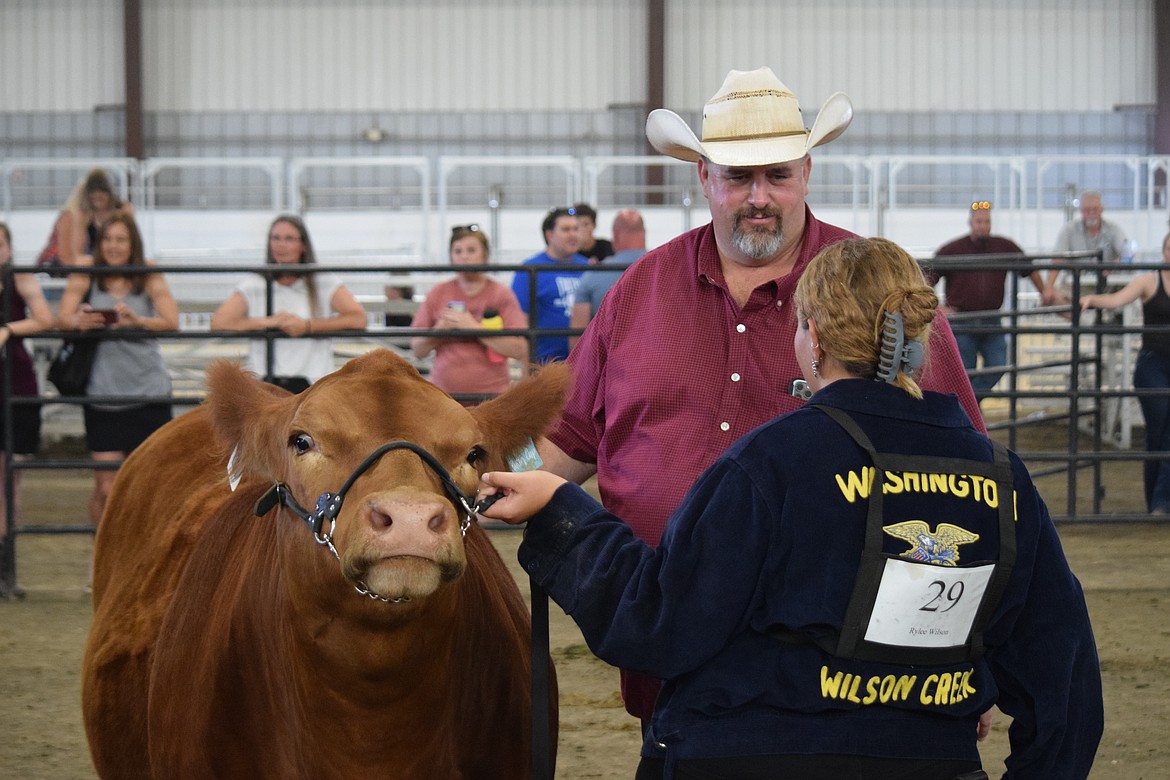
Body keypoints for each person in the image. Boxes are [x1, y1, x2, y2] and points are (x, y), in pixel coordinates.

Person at [481, 237, 1103, 779]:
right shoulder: (1000, 479)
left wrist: (566, 515)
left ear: (813, 336)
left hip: (746, 754)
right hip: (931, 754)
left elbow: (659, 624)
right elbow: (1064, 677)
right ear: (921, 340)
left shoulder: (766, 466)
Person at [537, 66, 985, 727]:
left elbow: (959, 471)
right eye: (738, 177)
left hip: (847, 676)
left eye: (776, 174)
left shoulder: (876, 291)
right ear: (703, 178)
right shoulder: (640, 290)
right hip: (674, 666)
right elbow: (566, 443)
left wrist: (962, 646)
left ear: (807, 172)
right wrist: (466, 478)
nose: (758, 196)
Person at [57, 213, 178, 548]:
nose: (113, 246)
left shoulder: (147, 271)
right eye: (108, 239)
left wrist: (137, 321)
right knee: (106, 486)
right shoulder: (87, 270)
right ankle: (102, 560)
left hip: (149, 391)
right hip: (103, 393)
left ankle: (146, 558)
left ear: (132, 243)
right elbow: (62, 318)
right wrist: (79, 320)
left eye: (121, 240)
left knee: (151, 485)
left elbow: (171, 321)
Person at [211, 214, 367, 393]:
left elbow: (358, 318)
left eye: (289, 238)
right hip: (265, 382)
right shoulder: (255, 283)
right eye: (275, 238)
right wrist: (269, 322)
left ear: (303, 245)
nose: (281, 245)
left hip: (313, 382)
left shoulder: (322, 280)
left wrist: (308, 326)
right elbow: (219, 322)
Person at [1082, 232, 1170, 514]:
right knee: (1158, 431)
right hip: (1152, 363)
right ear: (1164, 251)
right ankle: (1157, 501)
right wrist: (1093, 299)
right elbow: (1119, 299)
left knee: (1165, 433)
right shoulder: (1150, 281)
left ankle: (1159, 502)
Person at [926, 201, 1046, 400]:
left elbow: (1029, 268)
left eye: (986, 222)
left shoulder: (1004, 246)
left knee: (997, 365)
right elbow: (927, 278)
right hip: (962, 319)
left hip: (992, 319)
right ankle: (970, 408)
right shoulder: (953, 249)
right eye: (979, 221)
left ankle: (970, 404)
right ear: (970, 222)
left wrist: (1045, 292)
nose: (983, 226)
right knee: (965, 371)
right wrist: (937, 307)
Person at [410, 225, 529, 399]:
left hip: (491, 400)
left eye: (471, 250)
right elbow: (418, 349)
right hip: (443, 399)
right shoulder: (437, 293)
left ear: (485, 255)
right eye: (458, 251)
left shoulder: (501, 294)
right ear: (451, 256)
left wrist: (473, 327)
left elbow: (519, 349)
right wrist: (440, 331)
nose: (464, 256)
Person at [0, 223, 55, 599]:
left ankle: (7, 562)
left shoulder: (19, 279)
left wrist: (7, 328)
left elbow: (44, 318)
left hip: (16, 386)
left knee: (11, 481)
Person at [510, 206, 588, 362]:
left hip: (585, 364)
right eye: (566, 229)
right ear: (550, 235)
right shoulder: (529, 270)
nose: (573, 234)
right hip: (545, 366)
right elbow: (519, 320)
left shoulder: (589, 268)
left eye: (576, 229)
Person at [568, 209, 646, 350]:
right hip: (658, 360)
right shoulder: (670, 269)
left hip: (610, 364)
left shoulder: (592, 275)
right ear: (644, 233)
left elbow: (576, 340)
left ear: (615, 235)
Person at [37, 168, 135, 273]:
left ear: (109, 195)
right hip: (87, 264)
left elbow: (132, 244)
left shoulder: (123, 210)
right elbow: (75, 254)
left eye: (101, 198)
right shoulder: (79, 215)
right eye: (94, 199)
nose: (98, 204)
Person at [1042, 190, 1128, 304]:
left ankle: (1114, 319)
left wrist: (1113, 266)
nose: (1091, 213)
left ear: (1101, 209)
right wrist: (1048, 287)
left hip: (1108, 287)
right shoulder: (1069, 230)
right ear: (1081, 211)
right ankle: (1081, 320)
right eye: (1087, 210)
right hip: (1075, 287)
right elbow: (1057, 259)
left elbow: (1127, 252)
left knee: (1130, 292)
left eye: (1095, 209)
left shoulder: (1114, 229)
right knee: (1055, 297)